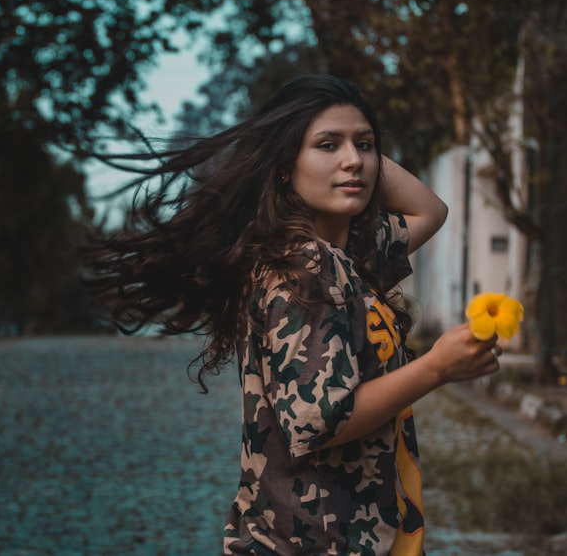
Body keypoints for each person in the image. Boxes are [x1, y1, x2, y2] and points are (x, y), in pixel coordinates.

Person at [86, 75, 503, 556]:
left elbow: (431, 210)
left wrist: (346, 141)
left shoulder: (349, 252)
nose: (354, 160)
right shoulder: (304, 265)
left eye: (364, 145)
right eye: (327, 144)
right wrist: (436, 368)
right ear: (286, 165)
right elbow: (318, 422)